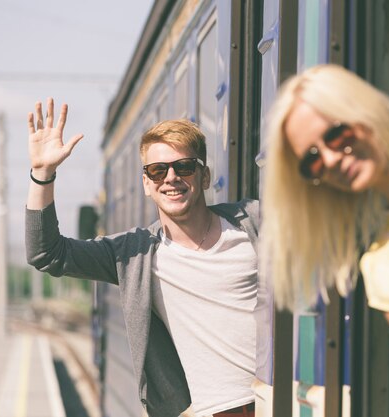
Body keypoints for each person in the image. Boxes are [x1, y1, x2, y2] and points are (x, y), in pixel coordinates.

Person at [25, 98, 259, 417]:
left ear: (204, 177)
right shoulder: (135, 253)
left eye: (185, 166)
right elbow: (47, 254)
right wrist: (42, 173)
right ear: (147, 184)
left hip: (274, 400)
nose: (171, 177)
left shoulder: (252, 225)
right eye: (158, 170)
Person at [260, 64, 389, 358]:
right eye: (313, 160)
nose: (331, 160)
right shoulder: (381, 267)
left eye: (336, 135)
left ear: (362, 113)